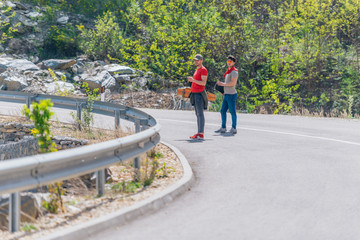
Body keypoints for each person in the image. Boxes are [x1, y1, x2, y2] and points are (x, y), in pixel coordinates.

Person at [215, 55, 238, 134]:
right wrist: (222, 90)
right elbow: (227, 83)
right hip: (226, 94)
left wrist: (222, 84)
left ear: (234, 62)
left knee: (232, 111)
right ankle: (223, 127)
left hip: (231, 94)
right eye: (228, 61)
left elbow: (232, 83)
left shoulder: (234, 72)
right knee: (222, 110)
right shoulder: (228, 71)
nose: (229, 63)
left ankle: (234, 128)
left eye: (230, 61)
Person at [187, 54, 208, 139]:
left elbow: (203, 83)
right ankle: (199, 132)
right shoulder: (197, 70)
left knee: (200, 113)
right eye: (195, 60)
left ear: (201, 60)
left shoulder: (203, 70)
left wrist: (193, 80)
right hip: (195, 93)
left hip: (199, 93)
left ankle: (200, 133)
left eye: (198, 60)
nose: (196, 61)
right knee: (197, 113)